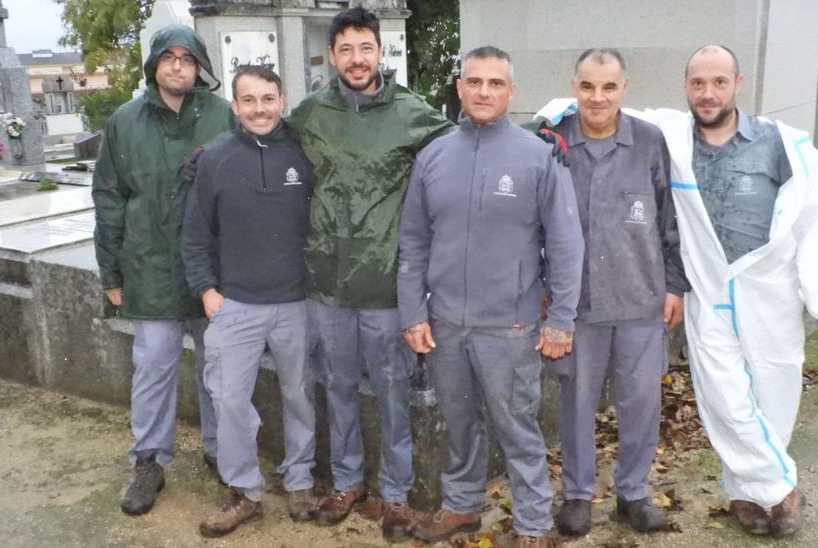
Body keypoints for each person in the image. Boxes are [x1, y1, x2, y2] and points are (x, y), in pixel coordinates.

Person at [639, 44, 818, 536]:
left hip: (770, 291)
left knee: (774, 392)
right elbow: (616, 110)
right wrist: (558, 111)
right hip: (709, 292)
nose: (707, 93)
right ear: (686, 87)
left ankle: (746, 493)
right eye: (697, 83)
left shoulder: (782, 143)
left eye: (718, 82)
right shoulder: (671, 138)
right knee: (723, 397)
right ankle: (783, 488)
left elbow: (813, 217)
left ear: (738, 83)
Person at [397, 46, 584, 548]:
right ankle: (462, 505)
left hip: (510, 324)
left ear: (511, 92)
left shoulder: (538, 155)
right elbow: (413, 240)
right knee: (458, 421)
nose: (484, 92)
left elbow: (566, 244)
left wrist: (561, 319)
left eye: (495, 83)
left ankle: (532, 525)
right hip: (446, 323)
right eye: (474, 82)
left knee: (517, 427)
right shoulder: (434, 156)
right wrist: (413, 311)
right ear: (460, 88)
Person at [286, 6, 453, 541]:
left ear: (381, 52)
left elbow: (462, 150)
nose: (357, 60)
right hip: (326, 281)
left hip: (385, 282)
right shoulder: (310, 113)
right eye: (346, 50)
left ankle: (398, 494)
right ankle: (347, 480)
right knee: (336, 387)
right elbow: (265, 144)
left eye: (366, 48)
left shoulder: (412, 112)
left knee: (392, 390)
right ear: (331, 55)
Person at [545, 48, 689, 536]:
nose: (598, 97)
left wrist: (674, 285)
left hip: (640, 301)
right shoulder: (553, 142)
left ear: (624, 88)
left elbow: (671, 218)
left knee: (640, 403)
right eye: (587, 87)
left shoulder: (649, 143)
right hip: (578, 307)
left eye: (608, 87)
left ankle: (633, 492)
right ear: (574, 86)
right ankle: (579, 496)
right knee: (577, 403)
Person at [91, 24, 234, 517]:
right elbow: (109, 199)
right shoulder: (124, 123)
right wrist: (111, 274)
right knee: (153, 368)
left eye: (188, 58)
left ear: (199, 67)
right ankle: (149, 460)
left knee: (218, 368)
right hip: (149, 269)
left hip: (212, 274)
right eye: (169, 57)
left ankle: (222, 449)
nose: (178, 66)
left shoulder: (222, 117)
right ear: (154, 64)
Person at [181, 65, 318, 538]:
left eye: (268, 98)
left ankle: (299, 481)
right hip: (234, 303)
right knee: (229, 399)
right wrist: (207, 290)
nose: (259, 108)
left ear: (282, 99)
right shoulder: (214, 160)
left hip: (296, 302)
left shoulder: (306, 152)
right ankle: (244, 490)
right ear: (235, 106)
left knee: (299, 395)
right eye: (249, 100)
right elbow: (195, 234)